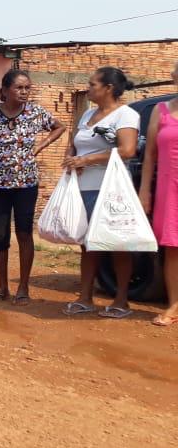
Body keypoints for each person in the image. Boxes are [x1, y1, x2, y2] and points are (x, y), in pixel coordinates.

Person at [0, 69, 66, 305]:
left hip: (26, 183)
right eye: (19, 88)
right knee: (0, 235)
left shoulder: (35, 112)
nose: (24, 92)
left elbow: (59, 127)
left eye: (27, 88)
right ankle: (2, 287)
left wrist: (41, 145)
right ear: (5, 90)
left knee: (24, 233)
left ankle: (23, 287)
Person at [60, 68, 139, 317]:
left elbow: (127, 150)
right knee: (88, 244)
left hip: (111, 189)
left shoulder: (126, 115)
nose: (88, 88)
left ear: (108, 88)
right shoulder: (87, 114)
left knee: (117, 243)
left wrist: (87, 160)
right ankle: (85, 297)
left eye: (93, 84)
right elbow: (74, 143)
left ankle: (121, 301)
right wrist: (70, 158)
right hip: (84, 188)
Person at [139, 60, 178, 327]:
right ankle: (174, 304)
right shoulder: (161, 110)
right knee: (173, 248)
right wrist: (144, 191)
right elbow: (150, 156)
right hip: (169, 188)